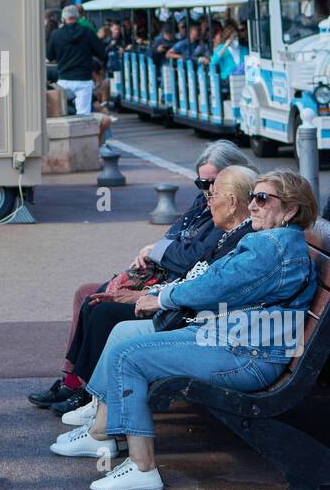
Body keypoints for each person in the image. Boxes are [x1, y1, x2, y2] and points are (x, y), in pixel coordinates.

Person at [54, 169, 317, 490]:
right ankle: (103, 432)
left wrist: (162, 298)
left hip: (248, 356)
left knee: (129, 356)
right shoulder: (273, 241)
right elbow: (217, 281)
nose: (253, 205)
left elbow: (216, 286)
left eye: (262, 199)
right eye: (253, 197)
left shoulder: (273, 247)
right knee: (125, 333)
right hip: (234, 342)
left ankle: (143, 467)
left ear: (291, 209)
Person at [27, 140, 256, 415]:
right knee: (89, 296)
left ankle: (96, 402)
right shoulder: (212, 207)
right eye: (202, 184)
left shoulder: (235, 226)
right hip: (172, 288)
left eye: (213, 186)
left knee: (100, 307)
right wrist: (160, 257)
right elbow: (178, 241)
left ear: (233, 191)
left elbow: (195, 261)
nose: (207, 193)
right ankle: (77, 386)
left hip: (185, 305)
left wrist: (157, 284)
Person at [46, 4, 108, 115]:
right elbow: (101, 53)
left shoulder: (56, 34)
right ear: (78, 17)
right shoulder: (88, 32)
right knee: (83, 116)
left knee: (62, 112)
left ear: (63, 18)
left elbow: (50, 56)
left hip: (64, 80)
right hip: (83, 79)